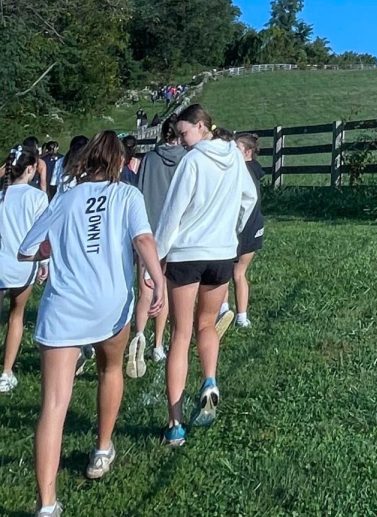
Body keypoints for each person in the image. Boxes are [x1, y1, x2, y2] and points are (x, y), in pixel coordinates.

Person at [18, 131, 165, 515]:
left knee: (53, 405)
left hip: (63, 309)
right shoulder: (127, 195)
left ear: (85, 162)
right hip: (109, 305)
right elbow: (145, 241)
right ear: (118, 163)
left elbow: (26, 249)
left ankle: (46, 504)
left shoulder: (64, 199)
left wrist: (47, 250)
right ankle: (102, 448)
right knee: (109, 368)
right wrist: (157, 279)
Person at [155, 104, 257, 447]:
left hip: (186, 255)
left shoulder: (193, 161)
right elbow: (250, 197)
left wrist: (155, 258)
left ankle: (175, 424)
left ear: (202, 127)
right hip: (221, 254)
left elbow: (173, 212)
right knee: (207, 325)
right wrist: (234, 230)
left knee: (180, 334)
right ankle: (210, 380)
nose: (182, 141)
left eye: (184, 133)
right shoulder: (233, 156)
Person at [126, 115, 183, 377]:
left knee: (145, 289)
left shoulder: (148, 159)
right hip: (174, 233)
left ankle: (138, 337)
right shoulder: (187, 159)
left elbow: (139, 191)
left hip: (147, 231)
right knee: (165, 291)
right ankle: (159, 345)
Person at [0, 145, 49, 393]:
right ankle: (6, 371)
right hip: (22, 266)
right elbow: (41, 235)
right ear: (30, 169)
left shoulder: (2, 194)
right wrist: (44, 263)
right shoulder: (37, 198)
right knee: (16, 316)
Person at [228, 133, 265, 329]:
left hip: (243, 227)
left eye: (237, 149)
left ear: (248, 152)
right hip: (255, 225)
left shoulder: (241, 172)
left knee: (233, 272)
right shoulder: (256, 171)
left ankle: (227, 311)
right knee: (238, 273)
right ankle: (241, 316)